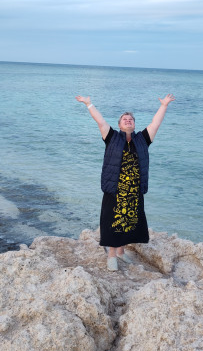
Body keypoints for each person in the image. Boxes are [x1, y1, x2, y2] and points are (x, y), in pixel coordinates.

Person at [75, 94, 175, 271]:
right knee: (113, 222)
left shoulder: (142, 139)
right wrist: (89, 104)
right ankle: (111, 255)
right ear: (120, 124)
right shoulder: (111, 137)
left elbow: (155, 123)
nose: (128, 121)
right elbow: (100, 121)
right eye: (124, 119)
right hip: (115, 189)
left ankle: (121, 252)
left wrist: (164, 105)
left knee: (128, 222)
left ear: (134, 124)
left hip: (134, 190)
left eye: (131, 119)